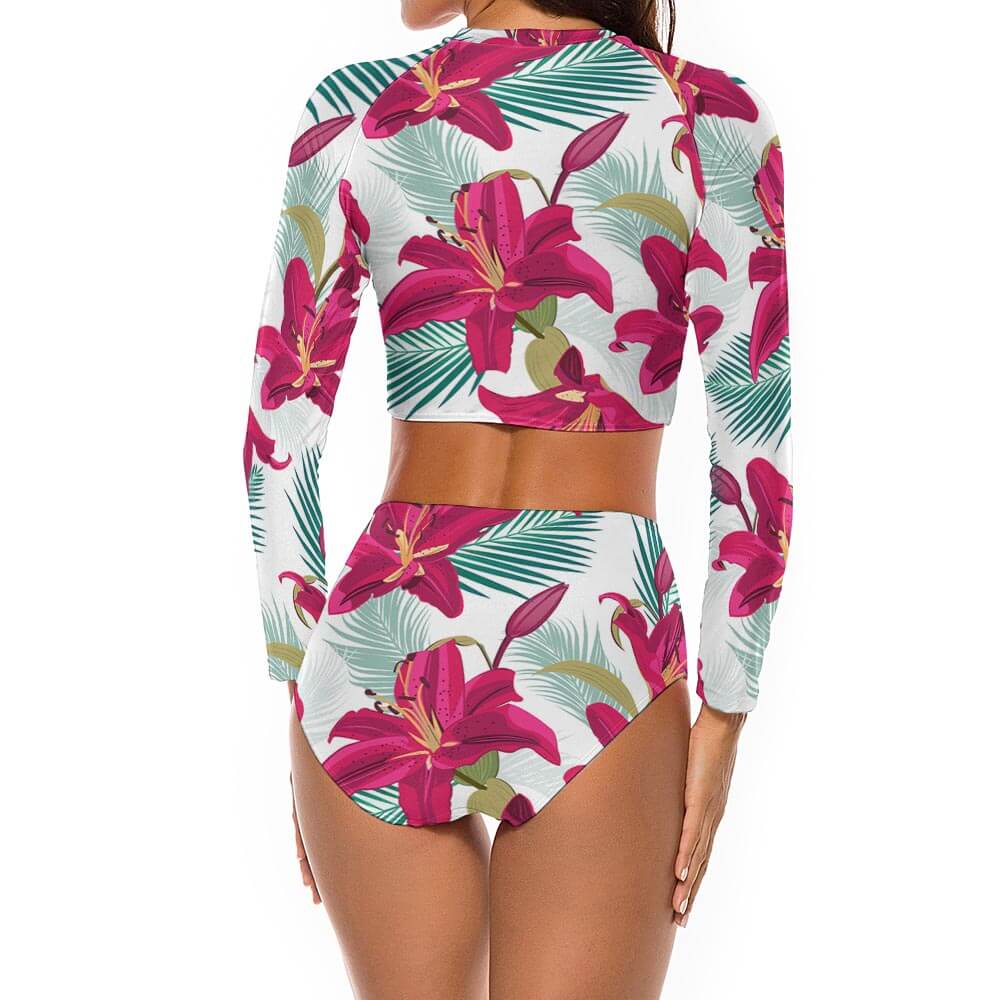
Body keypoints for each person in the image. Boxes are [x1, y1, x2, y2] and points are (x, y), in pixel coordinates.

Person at [244, 1, 792, 996]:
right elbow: (750, 436)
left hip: (380, 643)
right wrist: (726, 706)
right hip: (599, 632)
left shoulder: (358, 108)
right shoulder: (704, 115)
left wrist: (303, 686)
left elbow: (278, 436)